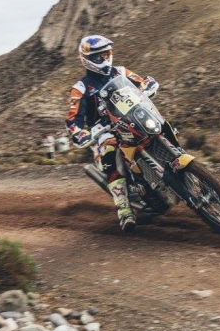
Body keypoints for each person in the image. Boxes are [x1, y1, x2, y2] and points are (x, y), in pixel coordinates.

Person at [65, 34, 159, 232]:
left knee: (159, 126)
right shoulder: (80, 88)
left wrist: (147, 85)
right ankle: (124, 209)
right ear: (87, 59)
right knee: (110, 152)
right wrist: (78, 132)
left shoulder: (121, 72)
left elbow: (140, 83)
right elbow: (73, 119)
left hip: (132, 120)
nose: (105, 58)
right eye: (99, 56)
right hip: (106, 131)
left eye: (107, 54)